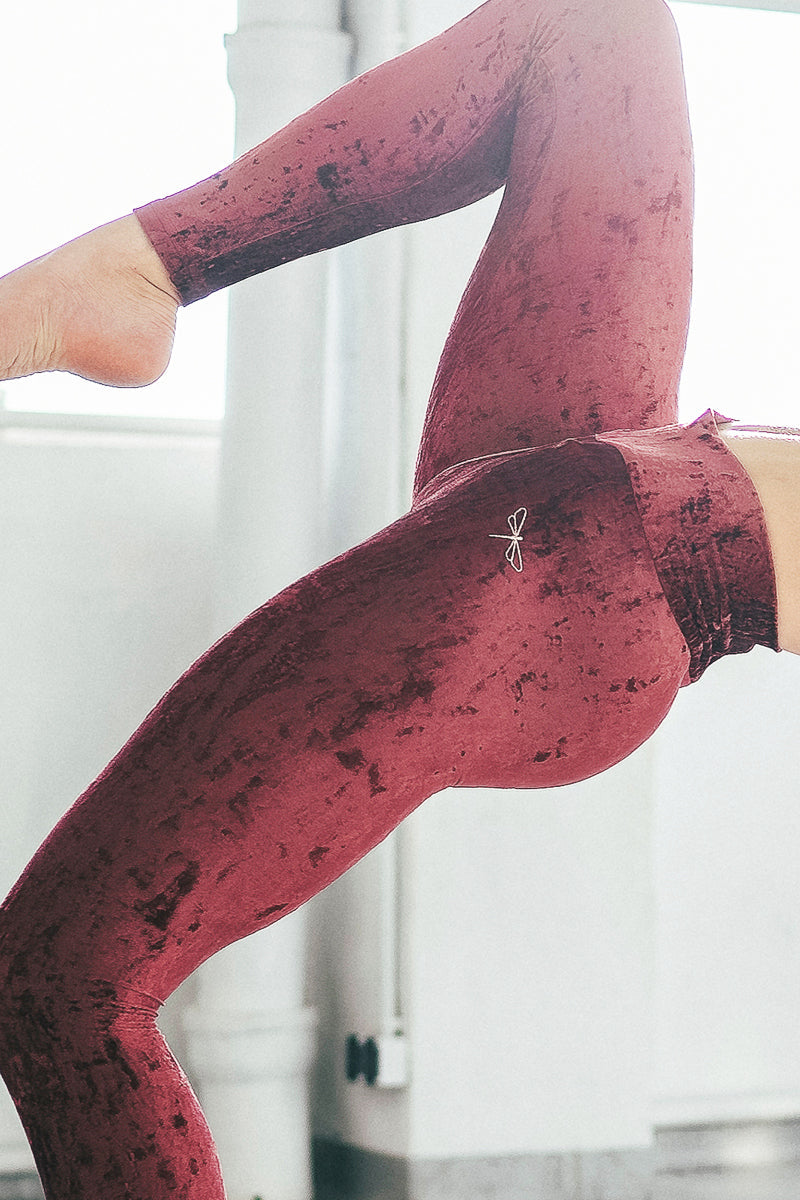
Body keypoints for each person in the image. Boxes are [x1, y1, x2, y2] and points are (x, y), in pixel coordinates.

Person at [0, 0, 796, 1196]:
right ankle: (142, 266)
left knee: (64, 974)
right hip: (600, 469)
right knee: (595, 25)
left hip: (588, 568)